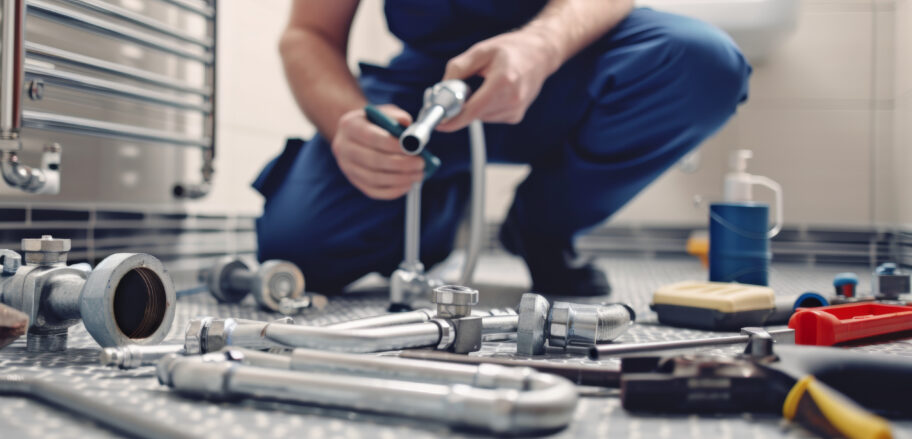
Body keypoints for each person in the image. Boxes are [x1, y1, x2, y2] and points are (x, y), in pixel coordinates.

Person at [252, 0, 750, 296]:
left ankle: (542, 225)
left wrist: (541, 46)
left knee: (702, 64)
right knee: (296, 249)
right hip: (424, 82)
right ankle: (434, 200)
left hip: (567, 55)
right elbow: (308, 33)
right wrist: (346, 124)